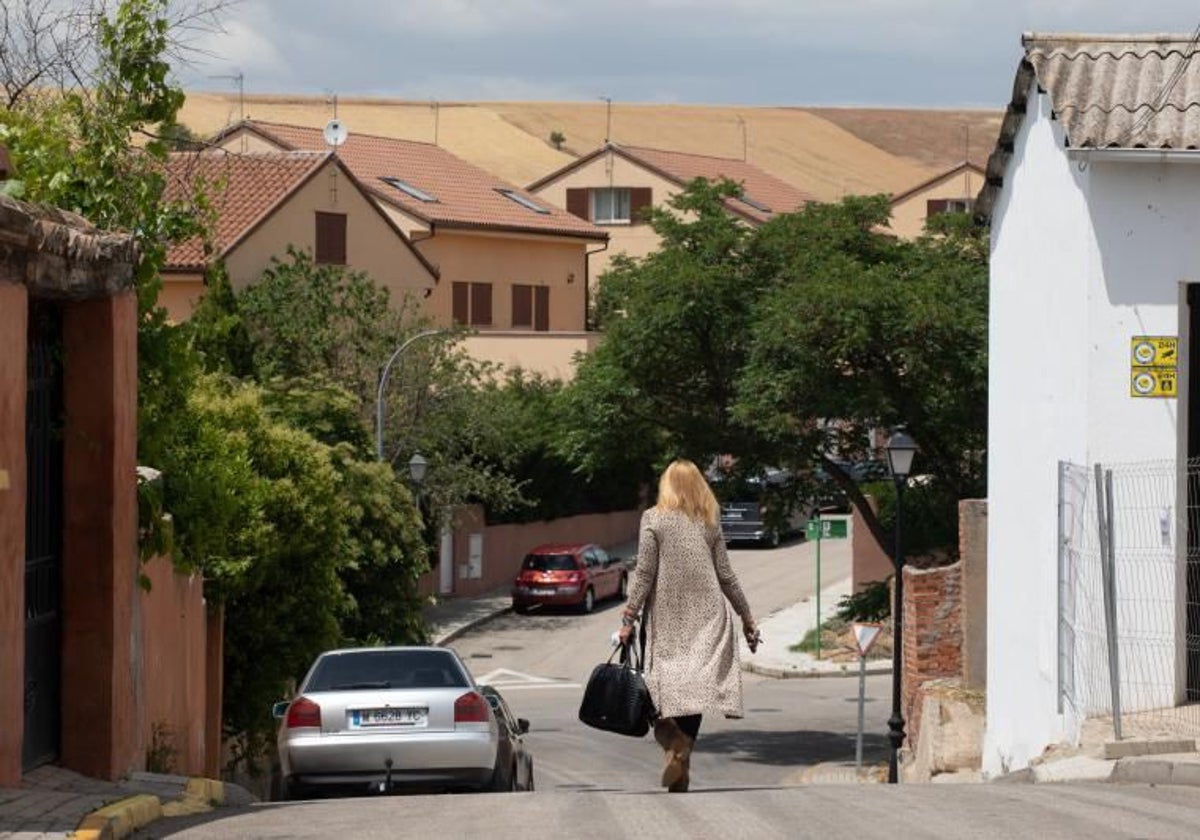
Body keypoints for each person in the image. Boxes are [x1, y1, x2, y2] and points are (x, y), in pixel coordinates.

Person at [617, 459, 760, 793]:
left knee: (662, 692)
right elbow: (726, 574)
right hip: (709, 617)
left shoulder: (653, 518)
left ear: (666, 485)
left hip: (668, 620)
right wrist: (747, 618)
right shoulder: (707, 520)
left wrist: (628, 618)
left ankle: (674, 745)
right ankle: (680, 754)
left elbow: (644, 574)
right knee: (691, 695)